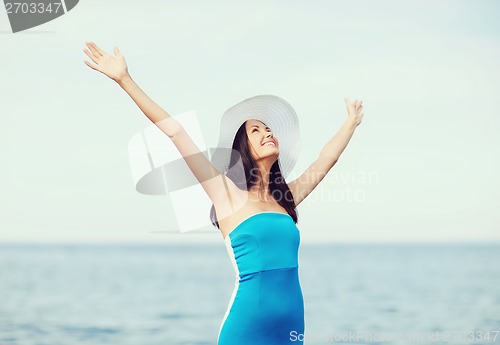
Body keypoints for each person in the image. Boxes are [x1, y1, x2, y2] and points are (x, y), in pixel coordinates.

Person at [83, 41, 365, 344]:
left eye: (268, 128)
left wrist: (350, 123)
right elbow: (175, 131)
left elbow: (326, 160)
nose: (267, 133)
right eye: (256, 131)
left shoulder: (286, 199)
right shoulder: (226, 195)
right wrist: (125, 79)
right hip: (248, 325)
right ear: (244, 148)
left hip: (292, 326)